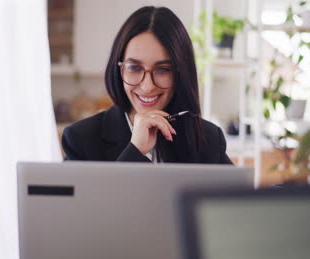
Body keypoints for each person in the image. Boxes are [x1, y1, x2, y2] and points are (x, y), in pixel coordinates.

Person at [61, 6, 232, 164]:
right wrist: (134, 151)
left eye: (163, 69)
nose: (148, 86)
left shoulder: (208, 139)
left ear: (181, 73)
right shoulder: (81, 139)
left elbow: (238, 197)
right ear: (118, 69)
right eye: (134, 68)